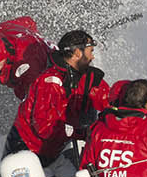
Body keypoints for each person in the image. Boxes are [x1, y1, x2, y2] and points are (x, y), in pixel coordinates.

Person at [8, 30, 112, 166]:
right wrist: (83, 133)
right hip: (30, 151)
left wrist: (133, 105)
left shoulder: (88, 78)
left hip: (58, 149)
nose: (92, 57)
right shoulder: (50, 82)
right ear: (77, 54)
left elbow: (109, 100)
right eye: (90, 51)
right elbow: (44, 127)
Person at [0, 17, 53, 101]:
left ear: (4, 53)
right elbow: (28, 21)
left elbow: (35, 102)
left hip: (54, 70)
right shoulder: (4, 28)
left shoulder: (27, 65)